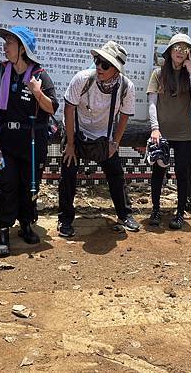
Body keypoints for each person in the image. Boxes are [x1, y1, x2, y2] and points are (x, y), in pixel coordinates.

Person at [0, 26, 58, 257]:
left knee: (29, 185)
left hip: (33, 141)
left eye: (10, 42)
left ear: (22, 48)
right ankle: (3, 229)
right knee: (7, 185)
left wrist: (37, 92)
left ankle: (26, 223)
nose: (5, 46)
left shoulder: (40, 76)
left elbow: (52, 107)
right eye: (5, 42)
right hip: (6, 141)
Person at [58, 40, 139, 237]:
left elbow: (125, 116)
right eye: (97, 61)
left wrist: (115, 144)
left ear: (116, 70)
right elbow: (69, 110)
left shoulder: (126, 87)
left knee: (116, 174)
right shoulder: (83, 79)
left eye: (105, 64)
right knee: (68, 173)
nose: (99, 67)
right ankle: (65, 219)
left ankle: (124, 214)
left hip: (104, 136)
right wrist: (70, 144)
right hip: (76, 133)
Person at [146, 33, 191, 229]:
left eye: (184, 48)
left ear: (189, 54)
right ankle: (155, 209)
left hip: (184, 134)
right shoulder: (158, 74)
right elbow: (152, 103)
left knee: (182, 172)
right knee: (158, 171)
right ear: (169, 51)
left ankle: (180, 212)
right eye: (176, 47)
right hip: (161, 133)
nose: (180, 51)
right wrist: (155, 129)